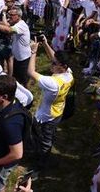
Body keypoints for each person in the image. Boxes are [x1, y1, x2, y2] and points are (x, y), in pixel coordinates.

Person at [27, 39, 73, 169]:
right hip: (58, 111)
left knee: (44, 140)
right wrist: (46, 44)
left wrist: (33, 52)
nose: (51, 64)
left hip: (46, 116)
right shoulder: (69, 74)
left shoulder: (52, 83)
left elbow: (30, 72)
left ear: (62, 66)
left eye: (54, 63)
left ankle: (41, 163)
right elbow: (55, 57)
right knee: (50, 135)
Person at [0, 7, 31, 87]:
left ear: (18, 16)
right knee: (17, 79)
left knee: (23, 80)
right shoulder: (16, 24)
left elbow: (8, 30)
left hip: (23, 59)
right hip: (18, 57)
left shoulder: (21, 25)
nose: (9, 17)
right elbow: (6, 25)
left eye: (12, 15)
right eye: (9, 15)